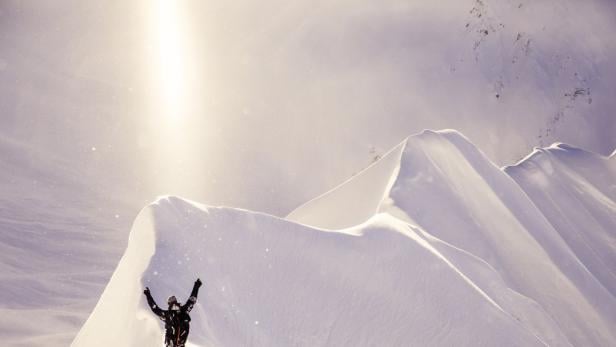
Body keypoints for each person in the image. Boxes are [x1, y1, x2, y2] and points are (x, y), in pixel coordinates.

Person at [144, 278, 202, 347]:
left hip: (178, 343)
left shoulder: (175, 313)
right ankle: (173, 343)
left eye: (174, 303)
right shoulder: (176, 313)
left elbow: (155, 309)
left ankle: (175, 343)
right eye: (172, 304)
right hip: (175, 343)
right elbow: (192, 300)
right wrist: (196, 286)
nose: (174, 307)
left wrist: (196, 286)